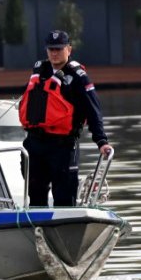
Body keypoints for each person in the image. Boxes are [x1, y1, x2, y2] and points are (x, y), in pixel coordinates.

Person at [19, 30, 112, 207]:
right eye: (51, 49)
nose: (54, 53)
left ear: (69, 49)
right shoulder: (39, 72)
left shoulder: (78, 77)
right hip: (35, 143)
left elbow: (93, 111)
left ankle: (66, 222)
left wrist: (101, 141)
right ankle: (37, 222)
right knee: (35, 196)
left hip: (62, 146)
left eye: (59, 49)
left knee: (64, 198)